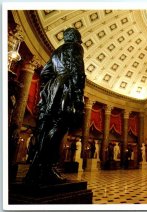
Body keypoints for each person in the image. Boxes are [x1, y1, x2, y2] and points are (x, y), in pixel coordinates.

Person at [24, 28, 86, 184]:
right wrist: (78, 96)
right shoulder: (76, 48)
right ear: (76, 38)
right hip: (66, 89)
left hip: (53, 89)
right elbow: (77, 71)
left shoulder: (56, 51)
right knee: (59, 126)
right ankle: (45, 168)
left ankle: (36, 169)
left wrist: (50, 90)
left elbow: (45, 73)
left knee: (47, 127)